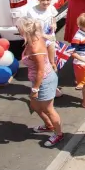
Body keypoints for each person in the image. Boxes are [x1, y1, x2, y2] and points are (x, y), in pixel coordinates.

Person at [17, 17, 63, 147]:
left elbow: (40, 72)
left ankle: (58, 134)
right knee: (35, 106)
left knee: (48, 109)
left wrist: (35, 89)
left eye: (18, 28)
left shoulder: (35, 48)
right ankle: (49, 125)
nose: (18, 30)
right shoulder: (34, 40)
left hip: (44, 81)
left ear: (25, 30)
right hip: (40, 80)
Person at [27, 0, 62, 97]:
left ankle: (54, 87)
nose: (46, 3)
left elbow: (53, 18)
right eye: (43, 0)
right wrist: (45, 36)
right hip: (38, 42)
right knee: (40, 66)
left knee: (52, 63)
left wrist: (54, 25)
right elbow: (32, 29)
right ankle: (38, 88)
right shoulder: (31, 12)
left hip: (50, 40)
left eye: (48, 0)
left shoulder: (51, 8)